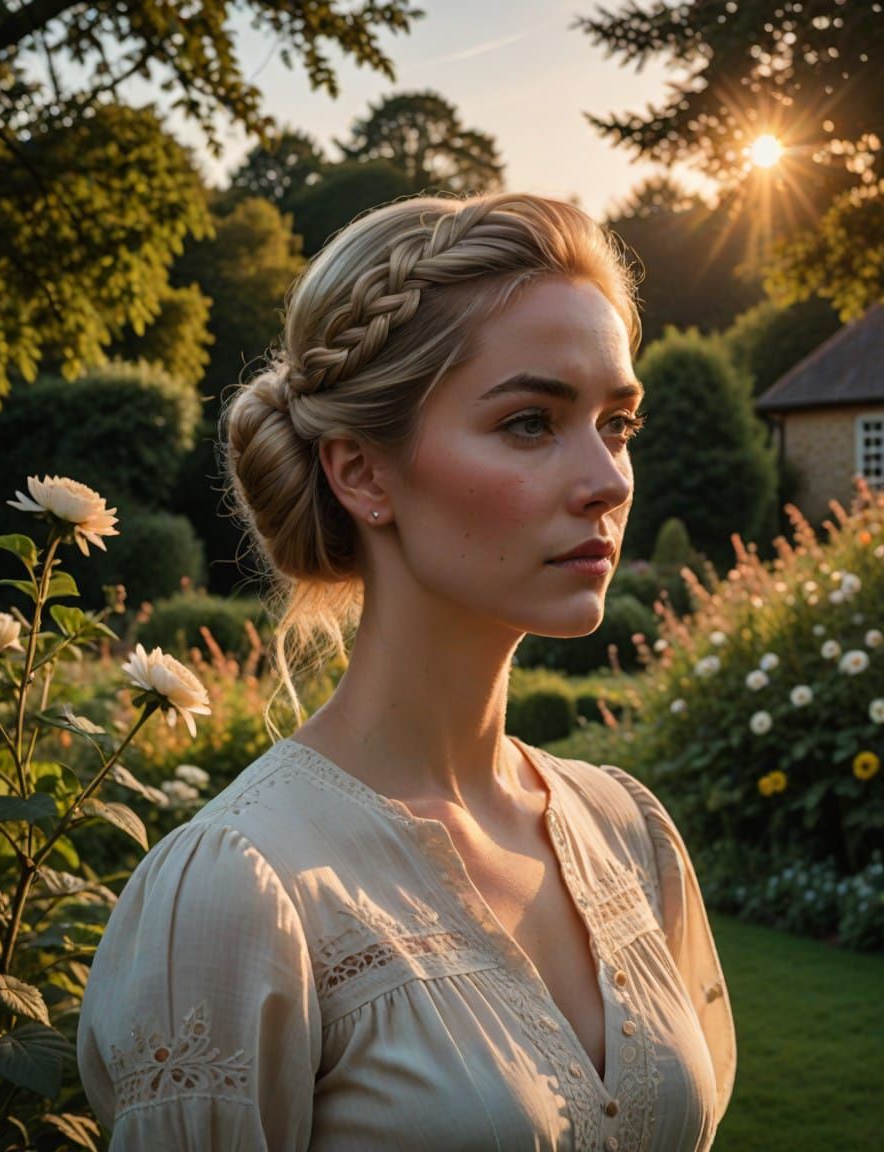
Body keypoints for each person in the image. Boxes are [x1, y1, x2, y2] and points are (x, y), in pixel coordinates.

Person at [77, 192, 736, 1151]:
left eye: (618, 424)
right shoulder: (242, 892)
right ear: (363, 474)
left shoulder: (630, 837)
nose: (608, 480)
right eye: (529, 422)